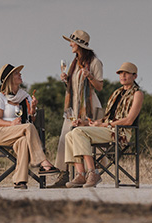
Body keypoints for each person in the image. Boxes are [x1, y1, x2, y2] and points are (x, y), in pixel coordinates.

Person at [64, 62, 143, 188]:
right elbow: (105, 119)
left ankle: (93, 173)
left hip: (120, 132)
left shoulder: (137, 94)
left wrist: (107, 125)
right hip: (108, 128)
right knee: (70, 135)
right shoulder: (117, 93)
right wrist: (86, 123)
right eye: (121, 73)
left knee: (78, 132)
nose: (123, 76)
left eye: (126, 73)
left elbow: (129, 120)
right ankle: (81, 174)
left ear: (135, 76)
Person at [48, 29, 104, 188]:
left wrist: (90, 76)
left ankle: (89, 173)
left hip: (89, 107)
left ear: (80, 45)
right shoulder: (74, 63)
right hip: (72, 108)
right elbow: (74, 87)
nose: (70, 45)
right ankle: (66, 174)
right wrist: (66, 80)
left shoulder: (95, 63)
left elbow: (99, 86)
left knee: (81, 138)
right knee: (64, 139)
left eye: (72, 42)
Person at [0, 64, 60, 189]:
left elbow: (31, 118)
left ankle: (20, 181)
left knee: (23, 141)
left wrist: (32, 108)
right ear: (10, 79)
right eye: (17, 73)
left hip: (21, 133)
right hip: (3, 133)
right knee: (28, 127)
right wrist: (11, 124)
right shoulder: (0, 97)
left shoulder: (24, 96)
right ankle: (41, 162)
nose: (20, 75)